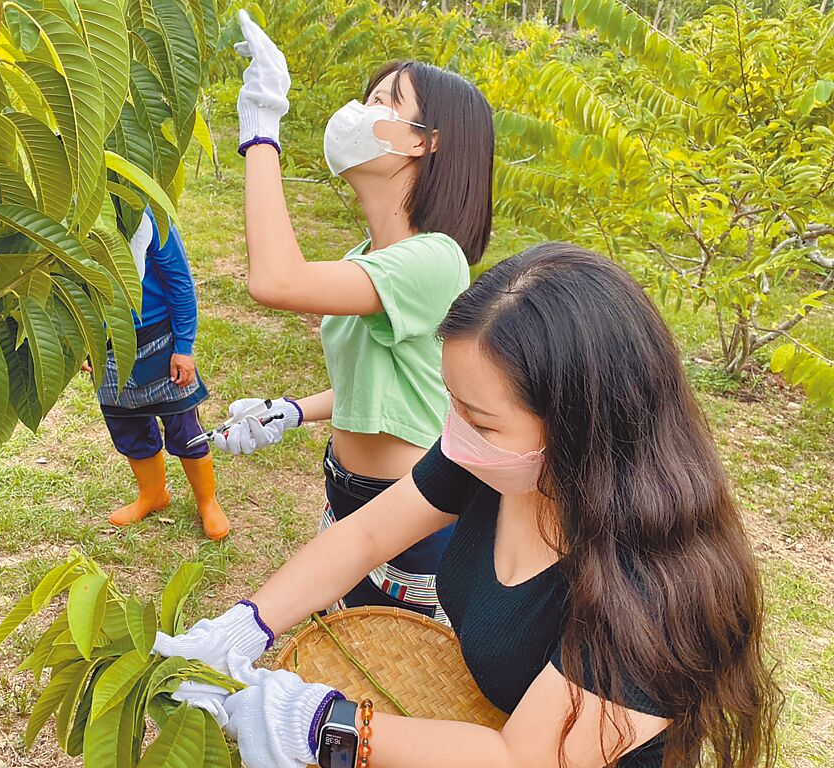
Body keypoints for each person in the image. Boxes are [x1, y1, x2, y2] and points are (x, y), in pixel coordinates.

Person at [154, 243, 781, 768]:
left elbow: (521, 759)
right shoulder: (492, 460)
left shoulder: (658, 593)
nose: (453, 435)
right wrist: (249, 622)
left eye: (480, 419)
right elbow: (365, 536)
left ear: (582, 428)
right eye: (453, 402)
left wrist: (325, 724)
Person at [210, 11, 495, 620]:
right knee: (342, 654)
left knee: (395, 677)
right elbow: (377, 387)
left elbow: (275, 280)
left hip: (411, 517)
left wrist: (261, 129)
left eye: (384, 102)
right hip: (345, 496)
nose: (359, 113)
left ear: (424, 139)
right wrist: (291, 411)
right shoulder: (369, 258)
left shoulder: (435, 260)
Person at [96, 208, 228, 540]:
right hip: (109, 346)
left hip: (161, 340)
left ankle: (207, 501)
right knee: (127, 427)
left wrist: (183, 346)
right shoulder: (77, 217)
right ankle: (152, 495)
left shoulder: (148, 217)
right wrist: (86, 346)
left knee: (184, 428)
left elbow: (180, 282)